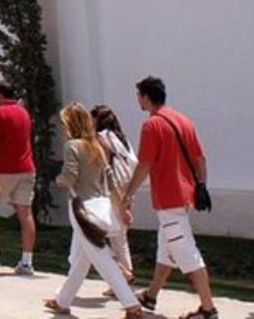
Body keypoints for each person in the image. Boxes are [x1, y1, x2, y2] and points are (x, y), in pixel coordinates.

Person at [121, 76, 216, 318]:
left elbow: (144, 165)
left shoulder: (152, 125)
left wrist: (128, 193)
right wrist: (201, 185)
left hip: (169, 197)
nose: (137, 101)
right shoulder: (183, 120)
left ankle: (208, 309)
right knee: (167, 249)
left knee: (186, 253)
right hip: (186, 196)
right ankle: (151, 295)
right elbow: (200, 159)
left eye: (138, 96)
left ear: (145, 97)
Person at [43, 103, 142, 318]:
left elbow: (70, 176)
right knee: (81, 258)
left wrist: (58, 179)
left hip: (81, 208)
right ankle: (63, 300)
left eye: (64, 123)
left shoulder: (72, 146)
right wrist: (122, 207)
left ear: (70, 124)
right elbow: (110, 179)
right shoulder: (96, 145)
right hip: (100, 205)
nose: (62, 128)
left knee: (100, 256)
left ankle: (131, 304)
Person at [0, 80, 36, 275]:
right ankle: (27, 261)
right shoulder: (23, 112)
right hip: (26, 167)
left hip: (4, 169)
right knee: (25, 213)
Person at [92, 103, 138, 280]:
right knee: (120, 237)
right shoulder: (121, 138)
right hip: (126, 184)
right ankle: (125, 273)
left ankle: (122, 274)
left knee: (96, 235)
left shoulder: (100, 138)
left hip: (110, 188)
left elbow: (103, 166)